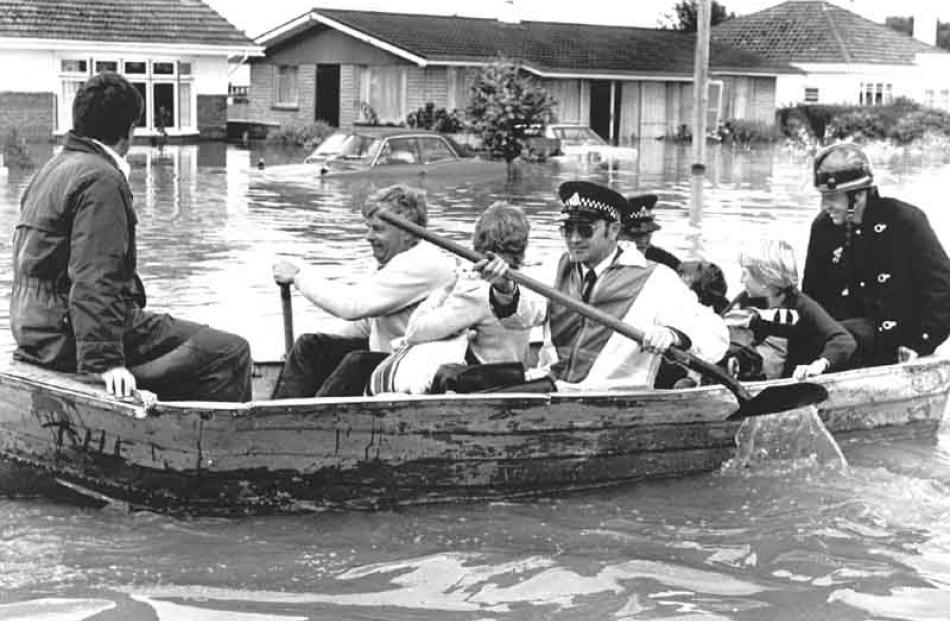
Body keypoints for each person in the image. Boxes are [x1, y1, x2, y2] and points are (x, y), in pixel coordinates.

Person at [10, 72, 251, 401]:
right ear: (129, 130)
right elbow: (95, 277)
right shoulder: (101, 180)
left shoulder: (50, 170)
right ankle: (203, 447)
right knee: (231, 352)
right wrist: (104, 363)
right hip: (68, 337)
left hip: (37, 333)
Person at [476, 181, 729, 391]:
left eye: (585, 230)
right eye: (567, 230)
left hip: (602, 396)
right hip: (551, 382)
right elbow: (521, 318)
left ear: (614, 229)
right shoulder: (558, 265)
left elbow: (715, 333)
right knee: (451, 377)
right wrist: (504, 287)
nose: (574, 240)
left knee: (483, 401)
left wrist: (673, 334)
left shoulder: (655, 278)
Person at [271, 184, 456, 398]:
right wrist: (299, 354)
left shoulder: (424, 263)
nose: (368, 236)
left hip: (419, 367)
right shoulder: (392, 261)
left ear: (406, 233)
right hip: (394, 356)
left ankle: (300, 423)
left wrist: (298, 277)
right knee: (310, 346)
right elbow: (366, 324)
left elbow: (351, 307)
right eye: (368, 227)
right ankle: (281, 415)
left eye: (377, 229)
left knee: (357, 363)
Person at [802, 142, 950, 366]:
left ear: (858, 196)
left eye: (832, 197)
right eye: (822, 196)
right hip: (841, 345)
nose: (825, 206)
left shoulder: (905, 222)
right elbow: (812, 297)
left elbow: (943, 289)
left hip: (899, 343)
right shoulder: (823, 228)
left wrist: (921, 344)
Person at [367, 202, 535, 394]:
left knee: (358, 364)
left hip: (480, 385)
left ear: (478, 242)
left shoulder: (476, 291)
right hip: (503, 374)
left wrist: (448, 287)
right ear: (522, 245)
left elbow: (414, 331)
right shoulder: (523, 284)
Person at [726, 240, 856, 380]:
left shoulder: (802, 306)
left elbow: (844, 340)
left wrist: (818, 365)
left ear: (765, 281)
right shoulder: (746, 299)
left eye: (745, 274)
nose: (741, 279)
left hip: (793, 378)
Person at [619, 193, 680, 271]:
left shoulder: (662, 259)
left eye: (648, 234)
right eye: (636, 235)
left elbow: (683, 270)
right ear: (617, 232)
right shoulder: (604, 259)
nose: (643, 240)